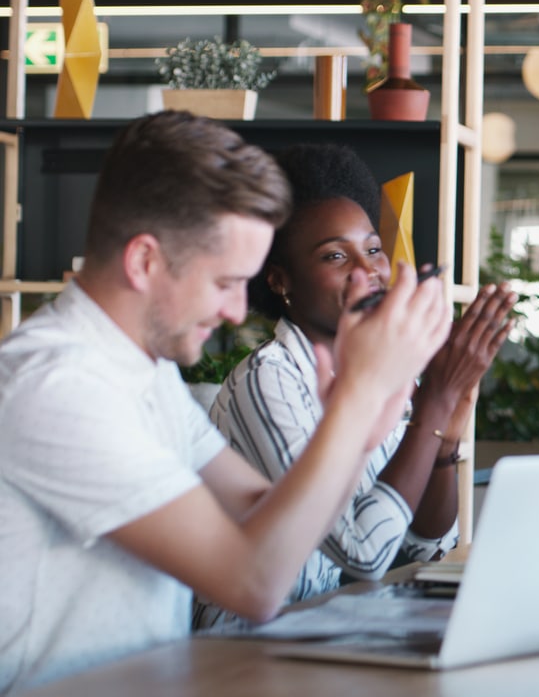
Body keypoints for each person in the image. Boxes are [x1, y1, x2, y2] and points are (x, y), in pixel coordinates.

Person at [0, 112, 453, 694]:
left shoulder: (145, 369)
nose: (240, 310)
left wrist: (361, 425)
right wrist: (357, 403)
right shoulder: (58, 385)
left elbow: (267, 510)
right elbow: (252, 583)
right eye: (225, 282)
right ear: (144, 261)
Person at [192, 143, 516, 630]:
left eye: (372, 249)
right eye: (336, 255)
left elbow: (422, 546)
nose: (367, 272)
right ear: (281, 280)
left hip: (338, 631)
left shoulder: (382, 368)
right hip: (251, 647)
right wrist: (433, 405)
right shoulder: (268, 380)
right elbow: (362, 555)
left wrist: (443, 439)